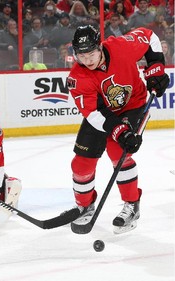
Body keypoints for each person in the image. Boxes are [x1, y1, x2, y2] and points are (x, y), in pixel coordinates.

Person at [66, 25, 170, 234]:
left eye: (91, 54)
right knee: (81, 164)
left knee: (118, 153)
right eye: (82, 56)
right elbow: (95, 114)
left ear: (100, 47)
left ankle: (132, 204)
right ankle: (85, 205)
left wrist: (156, 67)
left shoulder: (121, 47)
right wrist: (119, 130)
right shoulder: (77, 77)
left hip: (134, 105)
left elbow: (150, 37)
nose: (87, 61)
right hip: (103, 115)